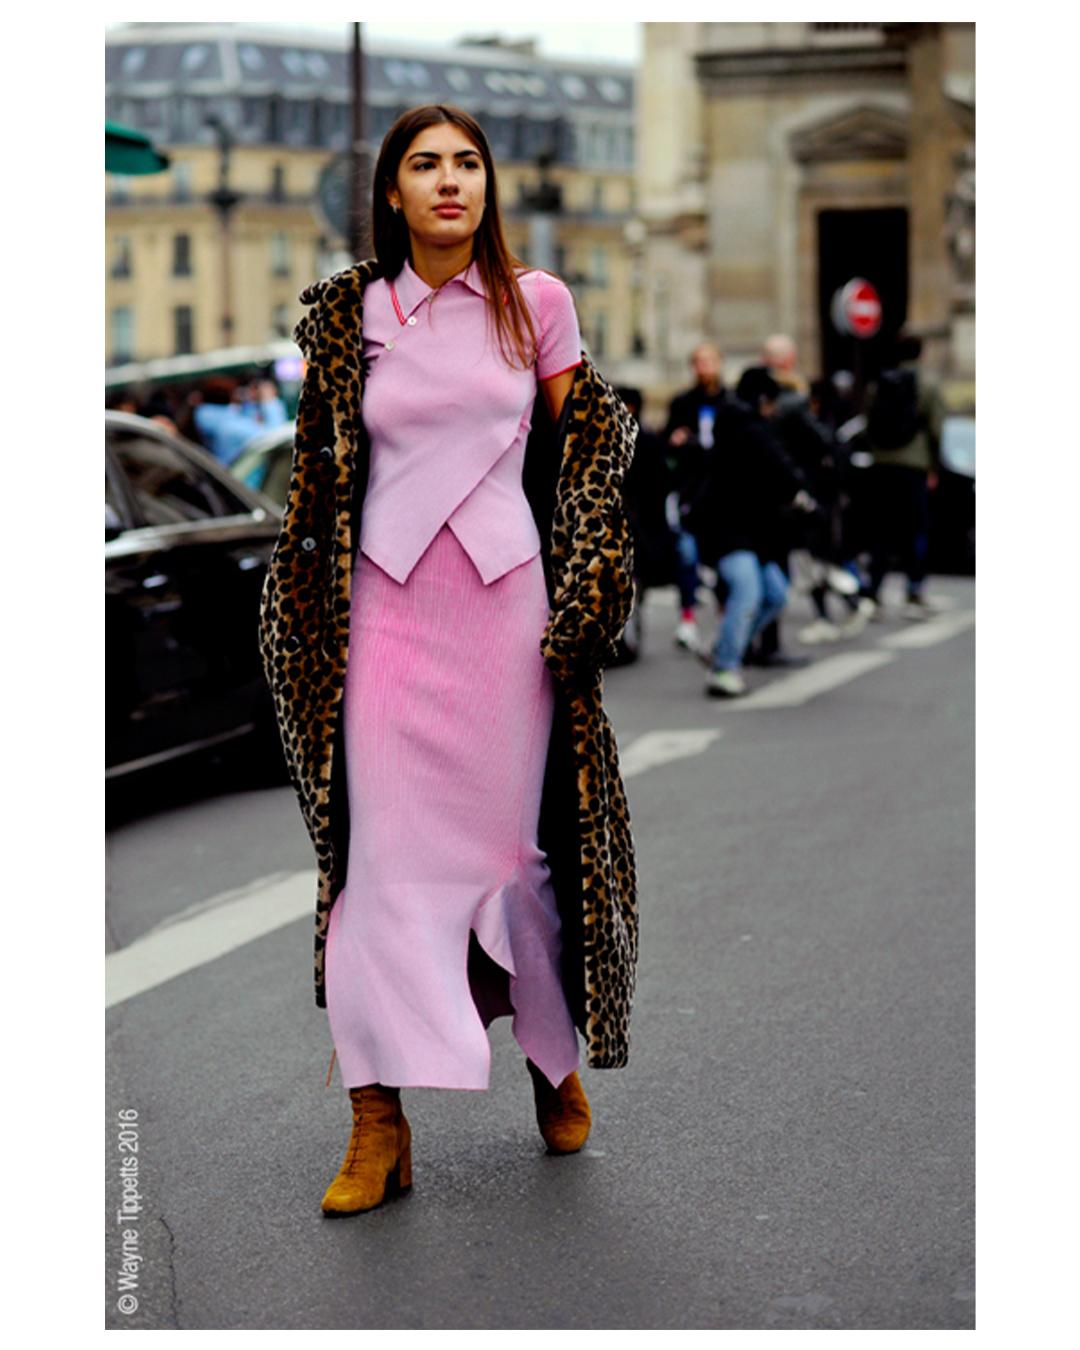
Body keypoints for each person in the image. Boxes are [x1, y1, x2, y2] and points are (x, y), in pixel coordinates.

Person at [257, 104, 639, 1217]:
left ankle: (550, 1060)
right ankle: (377, 1123)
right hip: (382, 609)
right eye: (425, 165)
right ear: (391, 192)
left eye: (467, 164)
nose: (449, 182)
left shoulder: (541, 304)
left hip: (506, 614)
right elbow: (322, 473)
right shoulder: (349, 314)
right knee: (369, 866)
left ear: (486, 187)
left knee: (512, 857)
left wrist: (591, 584)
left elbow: (588, 458)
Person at [686, 366, 813, 697]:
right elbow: (779, 465)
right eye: (771, 403)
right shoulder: (746, 425)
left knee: (776, 594)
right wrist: (800, 491)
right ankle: (725, 668)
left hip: (755, 533)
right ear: (762, 400)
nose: (773, 411)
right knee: (748, 591)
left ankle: (723, 647)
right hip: (730, 529)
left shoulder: (743, 423)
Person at [860, 331, 946, 616]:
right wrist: (934, 466)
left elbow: (867, 422)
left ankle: (874, 590)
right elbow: (936, 430)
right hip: (914, 465)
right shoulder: (928, 384)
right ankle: (914, 590)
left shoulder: (879, 384)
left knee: (880, 529)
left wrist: (878, 453)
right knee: (916, 530)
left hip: (882, 464)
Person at [663, 343, 728, 652]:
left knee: (719, 562)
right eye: (700, 362)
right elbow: (668, 442)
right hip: (689, 491)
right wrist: (675, 441)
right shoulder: (683, 403)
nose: (705, 369)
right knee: (687, 556)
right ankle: (687, 617)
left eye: (710, 361)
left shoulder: (730, 403)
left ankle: (724, 617)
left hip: (718, 492)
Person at [192, 377, 287, 466]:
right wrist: (268, 400)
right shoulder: (230, 426)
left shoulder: (211, 418)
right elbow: (274, 438)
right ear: (231, 397)